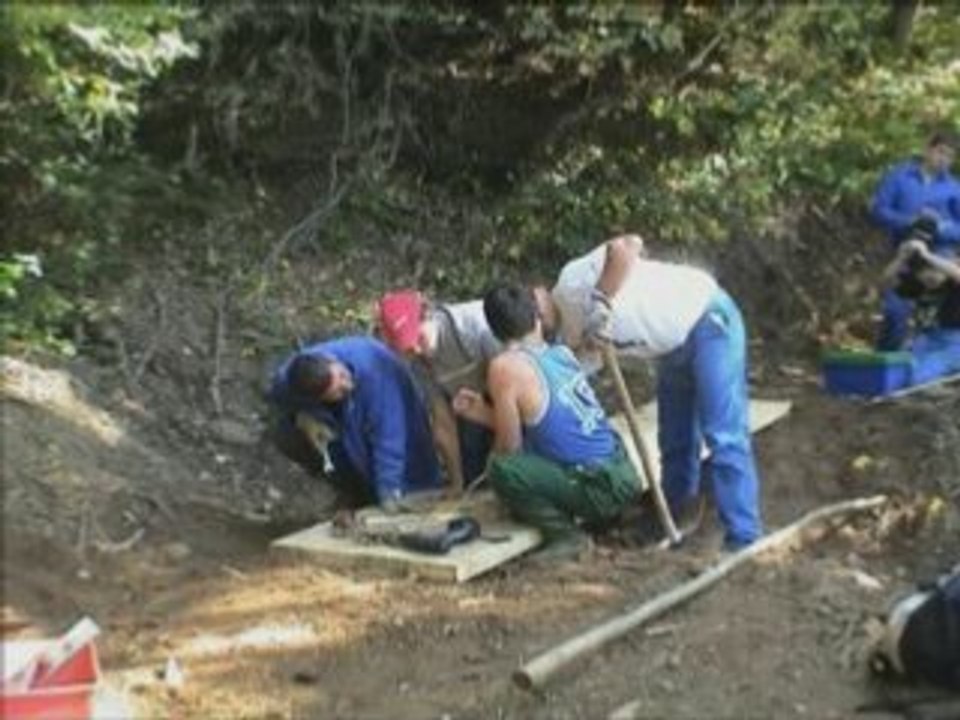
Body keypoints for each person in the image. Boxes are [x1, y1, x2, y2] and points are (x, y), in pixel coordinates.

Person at [534, 233, 762, 550]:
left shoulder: (572, 284)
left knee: (723, 436)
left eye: (535, 304)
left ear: (541, 291)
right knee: (676, 440)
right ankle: (673, 521)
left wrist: (601, 299)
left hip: (707, 320)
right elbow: (569, 396)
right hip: (669, 349)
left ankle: (743, 537)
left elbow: (628, 245)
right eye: (531, 317)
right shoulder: (566, 344)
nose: (536, 313)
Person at [452, 283, 639, 559]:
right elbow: (550, 426)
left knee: (503, 469)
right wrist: (482, 412)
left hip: (597, 489)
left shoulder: (505, 368)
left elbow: (510, 447)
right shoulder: (560, 353)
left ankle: (566, 536)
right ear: (537, 317)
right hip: (623, 475)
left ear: (494, 331)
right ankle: (602, 517)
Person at [268, 336, 443, 515]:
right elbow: (279, 396)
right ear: (319, 399)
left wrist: (389, 494)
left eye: (342, 376)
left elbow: (389, 439)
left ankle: (409, 492)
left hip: (392, 395)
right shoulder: (288, 380)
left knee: (413, 468)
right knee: (331, 446)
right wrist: (305, 415)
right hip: (338, 411)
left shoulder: (375, 374)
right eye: (338, 391)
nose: (347, 385)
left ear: (332, 360)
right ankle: (359, 495)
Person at [377, 290, 501, 493]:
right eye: (407, 348)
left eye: (419, 338)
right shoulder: (419, 362)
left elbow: (515, 383)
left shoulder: (474, 327)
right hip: (473, 407)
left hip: (512, 392)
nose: (416, 350)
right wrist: (457, 484)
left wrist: (501, 448)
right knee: (473, 475)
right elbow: (443, 423)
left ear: (427, 315)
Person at [871, 129, 960, 350]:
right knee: (895, 311)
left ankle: (936, 354)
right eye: (941, 153)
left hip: (940, 254)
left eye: (950, 156)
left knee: (939, 310)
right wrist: (910, 221)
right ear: (928, 149)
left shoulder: (954, 188)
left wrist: (941, 227)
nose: (944, 160)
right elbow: (879, 211)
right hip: (904, 250)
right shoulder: (899, 176)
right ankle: (885, 364)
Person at [880, 237, 960, 383]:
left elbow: (956, 273)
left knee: (918, 374)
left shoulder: (953, 286)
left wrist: (927, 255)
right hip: (927, 339)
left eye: (936, 271)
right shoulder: (918, 287)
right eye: (924, 272)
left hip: (953, 343)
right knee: (899, 367)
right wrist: (901, 257)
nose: (930, 276)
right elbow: (886, 280)